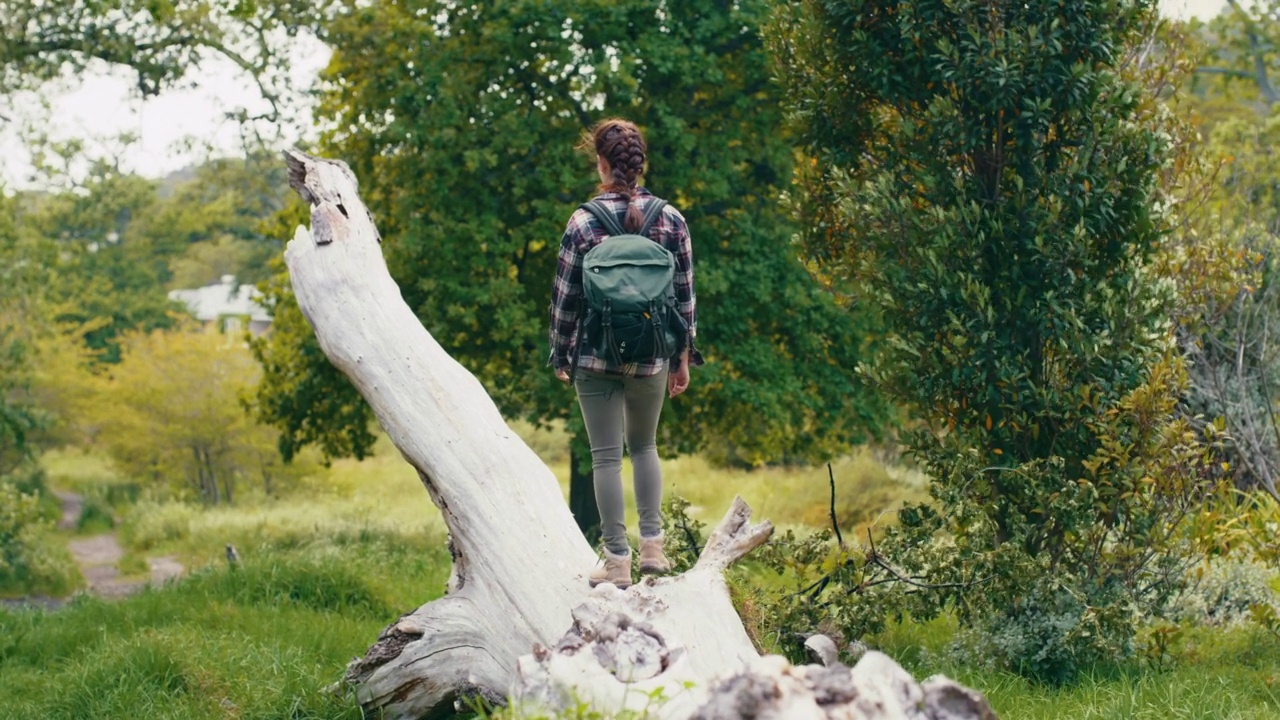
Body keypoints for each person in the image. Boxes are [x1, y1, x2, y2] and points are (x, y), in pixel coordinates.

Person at [548, 118, 703, 589]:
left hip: (595, 357)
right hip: (652, 355)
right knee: (645, 446)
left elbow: (565, 297)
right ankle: (654, 548)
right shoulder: (671, 218)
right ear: (639, 163)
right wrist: (683, 357)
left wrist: (561, 355)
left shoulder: (581, 221)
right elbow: (684, 295)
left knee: (606, 458)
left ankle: (617, 561)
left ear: (600, 162)